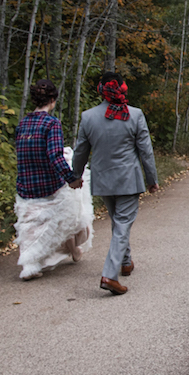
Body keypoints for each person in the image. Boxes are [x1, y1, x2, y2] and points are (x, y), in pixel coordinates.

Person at [72, 72, 159, 295]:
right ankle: (110, 275)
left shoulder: (88, 116)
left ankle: (126, 262)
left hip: (103, 180)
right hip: (128, 180)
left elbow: (81, 150)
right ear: (123, 88)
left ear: (101, 90)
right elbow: (145, 151)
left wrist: (75, 175)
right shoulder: (136, 115)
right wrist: (152, 180)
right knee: (121, 224)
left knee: (118, 222)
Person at [13, 79, 92, 281]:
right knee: (69, 214)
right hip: (49, 184)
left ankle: (31, 264)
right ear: (52, 100)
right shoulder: (51, 123)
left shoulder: (23, 123)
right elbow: (55, 155)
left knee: (29, 224)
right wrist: (71, 179)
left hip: (26, 184)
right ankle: (73, 250)